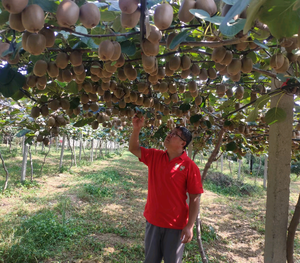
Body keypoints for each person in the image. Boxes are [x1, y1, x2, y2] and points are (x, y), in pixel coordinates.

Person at [129, 114, 203, 263]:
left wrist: (190, 226)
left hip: (175, 226)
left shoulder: (189, 166)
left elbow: (195, 199)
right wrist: (136, 129)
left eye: (175, 135)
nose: (169, 135)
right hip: (153, 220)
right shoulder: (155, 156)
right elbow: (133, 148)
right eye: (170, 133)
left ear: (183, 143)